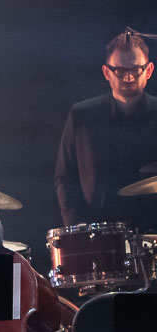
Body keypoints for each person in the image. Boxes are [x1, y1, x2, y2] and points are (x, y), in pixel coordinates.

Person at [55, 30, 157, 230]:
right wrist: (79, 229)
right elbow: (64, 178)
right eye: (120, 70)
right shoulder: (82, 115)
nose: (129, 77)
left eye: (136, 69)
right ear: (106, 72)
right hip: (96, 233)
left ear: (149, 70)